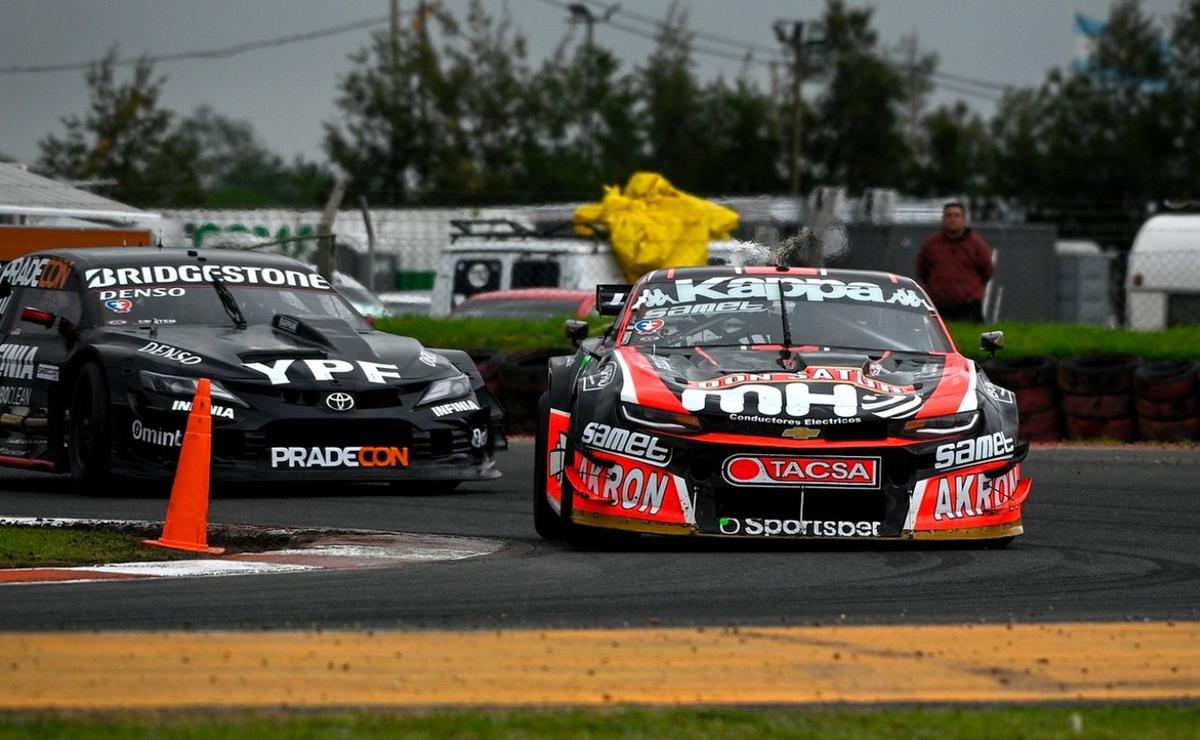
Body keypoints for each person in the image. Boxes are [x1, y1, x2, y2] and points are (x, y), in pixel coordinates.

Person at [916, 202, 994, 322]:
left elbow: (987, 270)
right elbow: (922, 270)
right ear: (944, 218)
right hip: (939, 304)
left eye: (957, 216)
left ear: (963, 219)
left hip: (968, 306)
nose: (953, 219)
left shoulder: (977, 245)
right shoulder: (931, 244)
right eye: (949, 215)